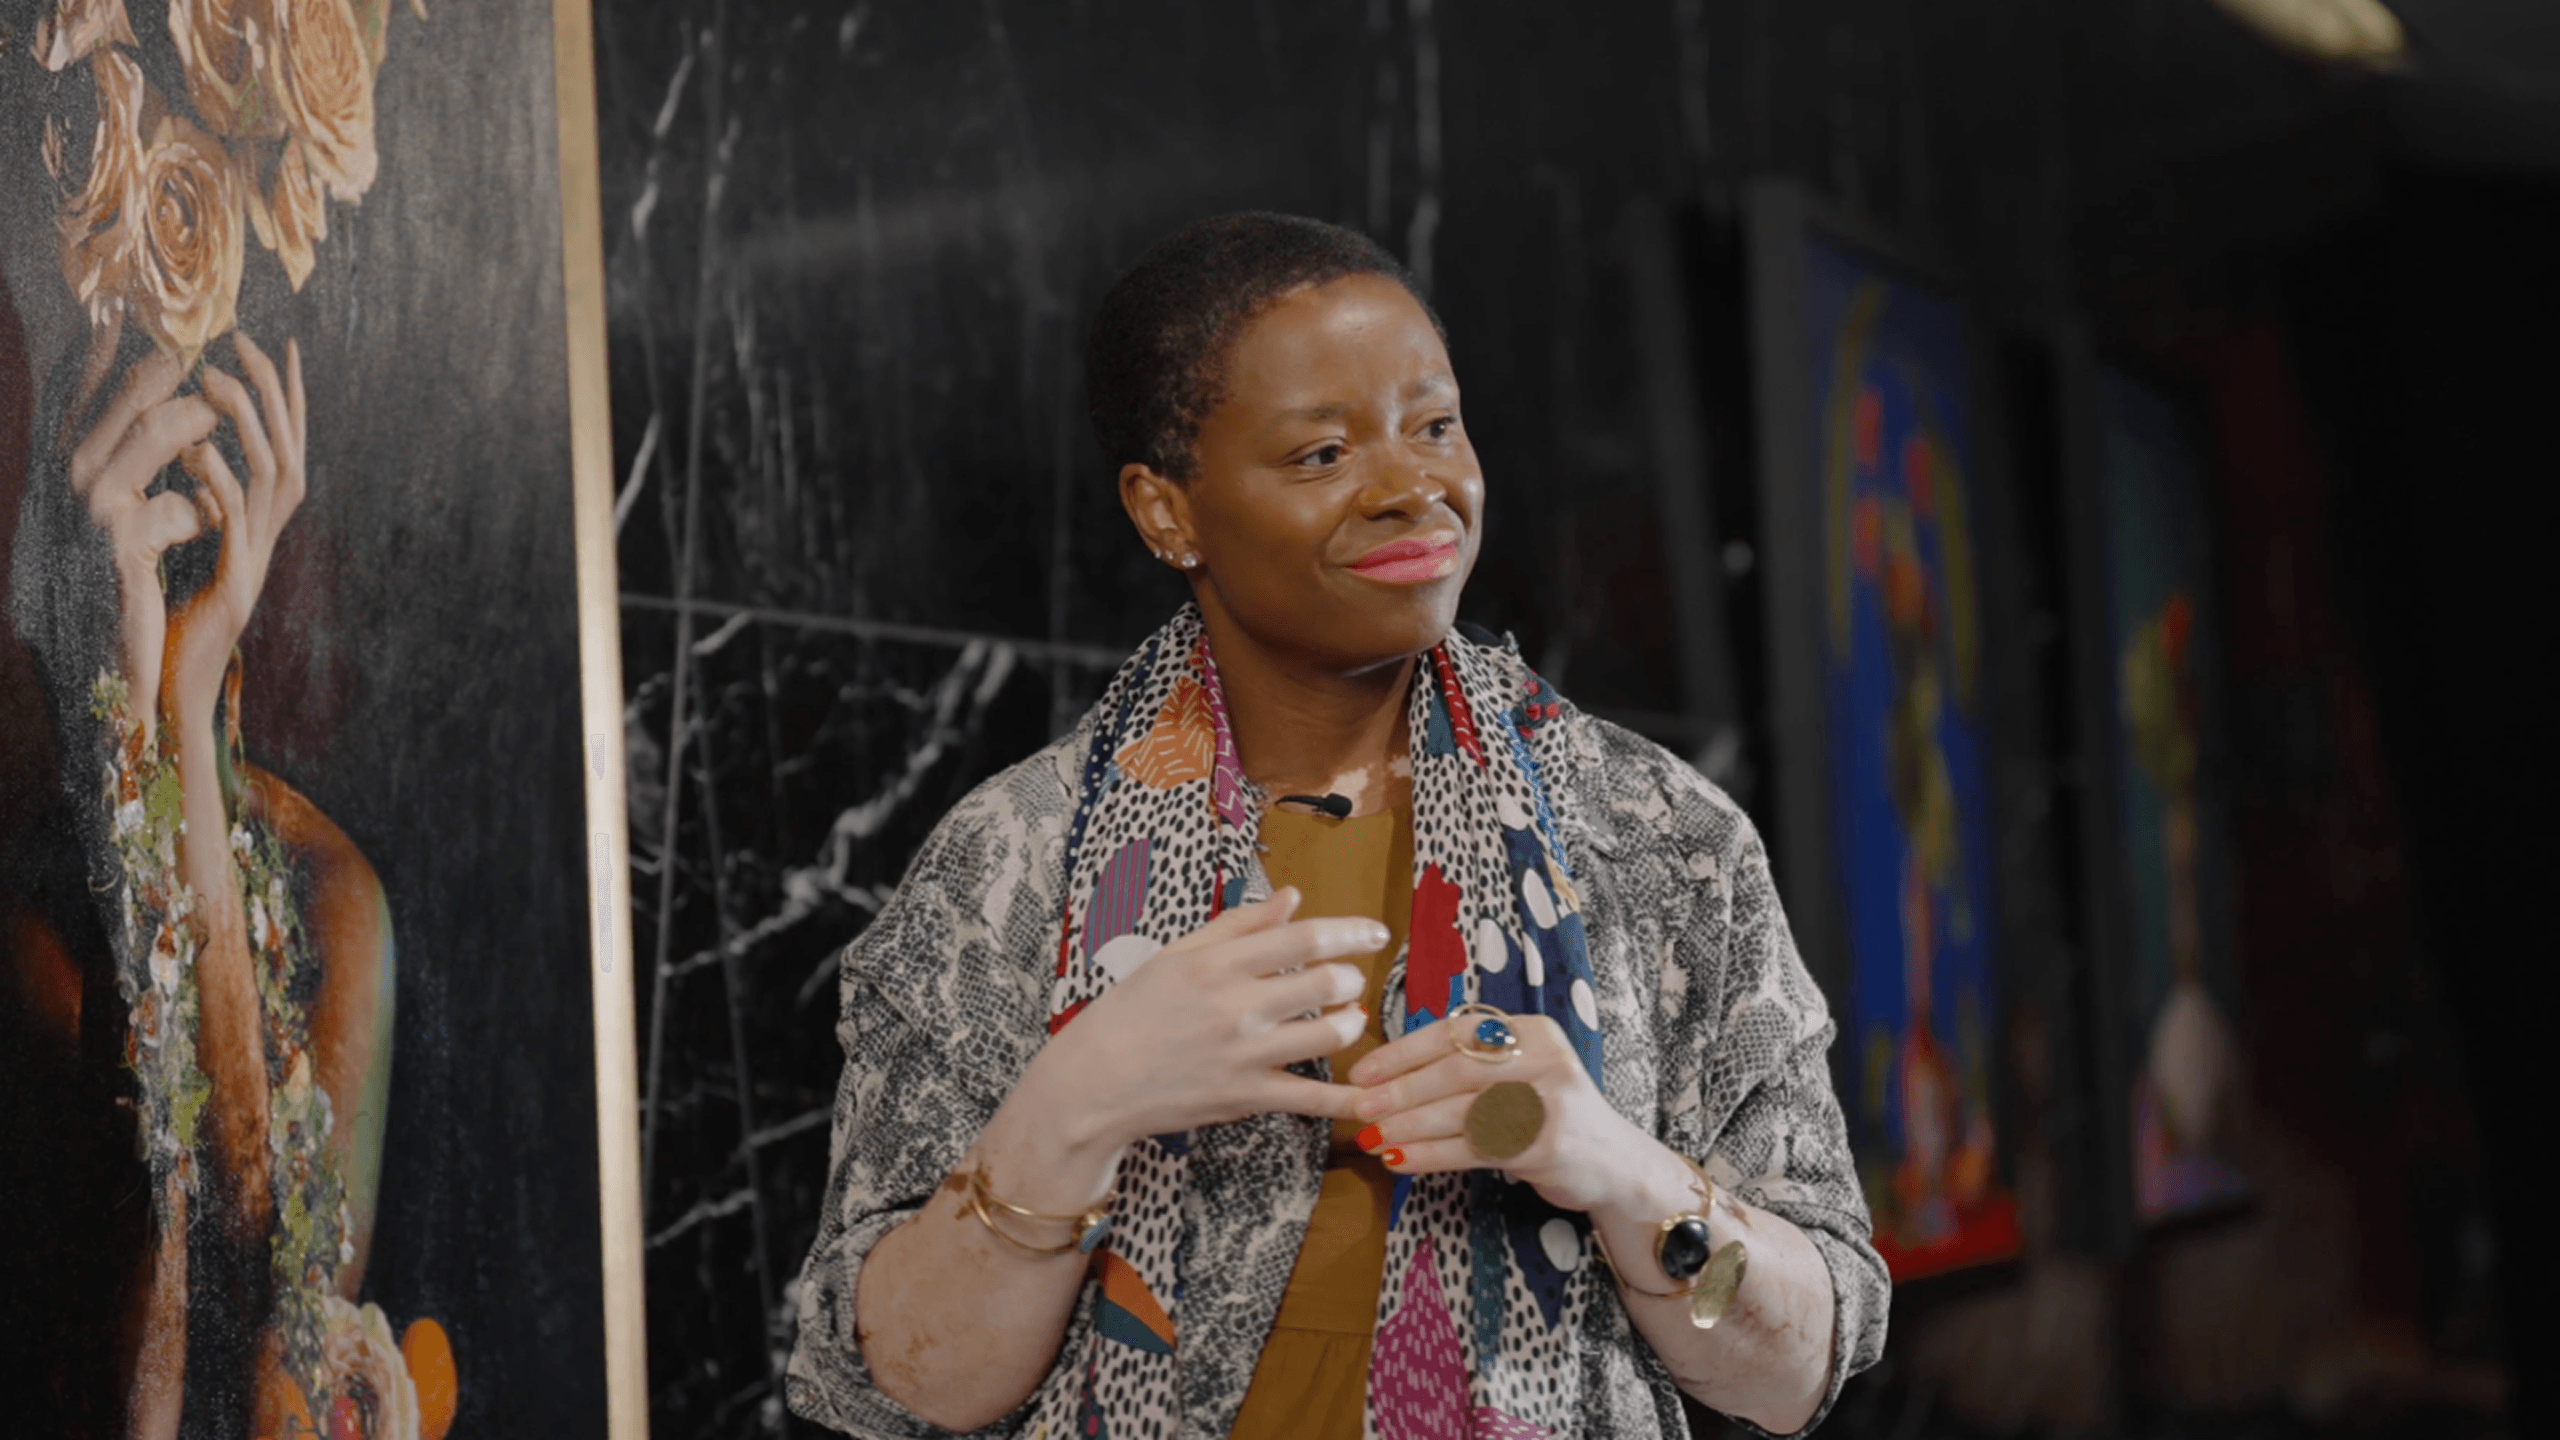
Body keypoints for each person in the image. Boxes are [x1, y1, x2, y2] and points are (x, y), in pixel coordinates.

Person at [785, 212, 1888, 1439]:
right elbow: (900, 1380)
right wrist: (1078, 1101)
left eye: (1435, 426)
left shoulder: (1660, 840)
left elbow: (1799, 1362)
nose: (1413, 488)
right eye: (1320, 454)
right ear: (1166, 511)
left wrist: (1626, 1176)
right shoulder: (1012, 862)